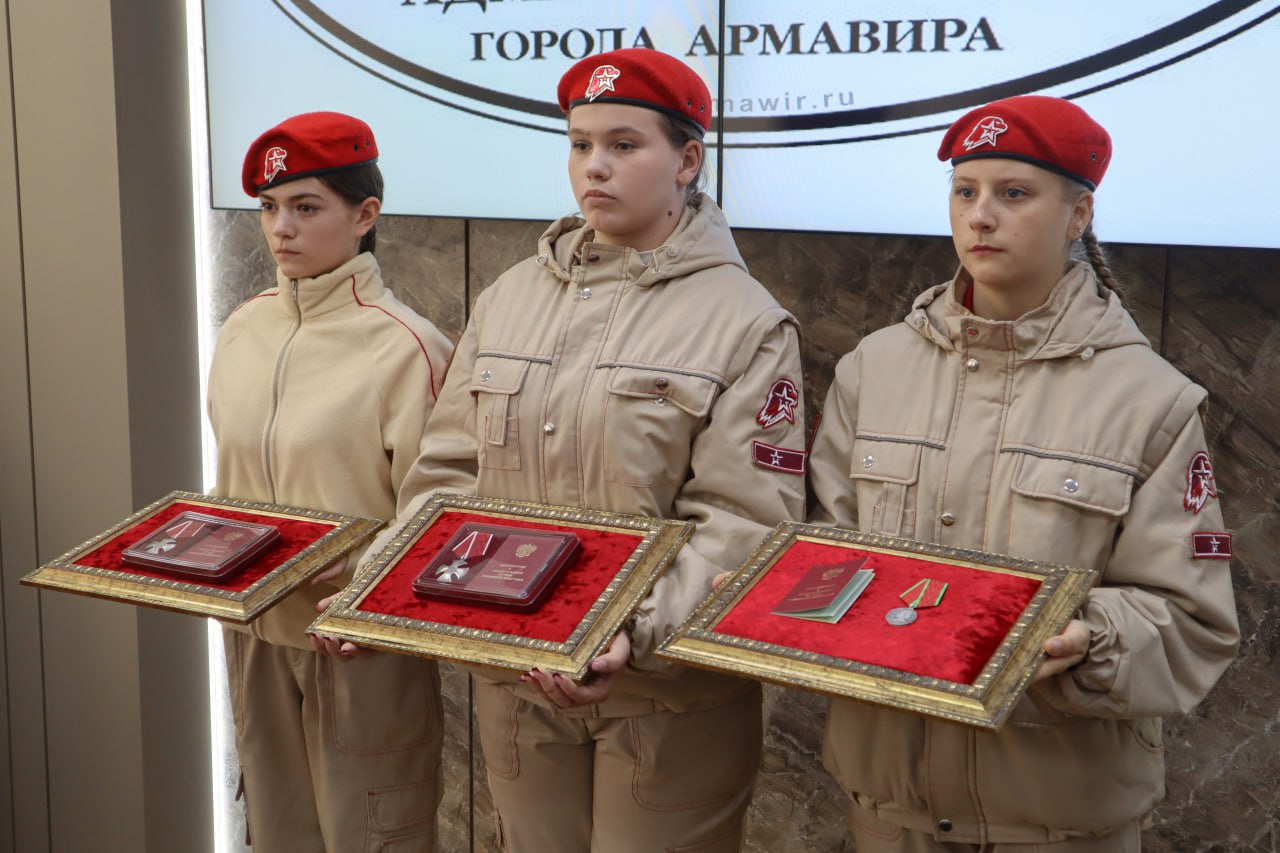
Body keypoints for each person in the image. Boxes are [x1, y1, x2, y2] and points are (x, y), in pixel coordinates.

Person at [343, 47, 806, 852]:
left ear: (687, 161)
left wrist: (630, 630)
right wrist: (381, 581)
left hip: (665, 696)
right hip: (515, 681)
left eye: (624, 145)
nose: (595, 166)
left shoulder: (745, 320)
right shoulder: (510, 296)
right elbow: (448, 474)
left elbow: (744, 519)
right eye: (580, 143)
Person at [808, 95, 1239, 852]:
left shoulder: (1150, 398)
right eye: (964, 191)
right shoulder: (873, 368)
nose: (980, 216)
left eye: (1013, 193)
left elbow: (1192, 620)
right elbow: (828, 548)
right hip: (888, 805)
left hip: (1058, 818)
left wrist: (1087, 639)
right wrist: (779, 592)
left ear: (1079, 215)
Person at [208, 111, 453, 851]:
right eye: (269, 207)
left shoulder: (408, 346)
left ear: (365, 215)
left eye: (306, 207)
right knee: (276, 831)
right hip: (253, 638)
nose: (281, 229)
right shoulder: (241, 330)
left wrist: (364, 587)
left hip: (357, 644)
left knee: (374, 835)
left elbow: (440, 519)